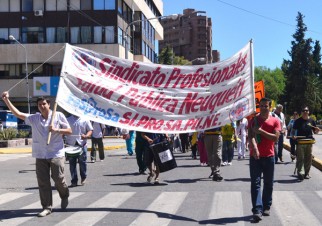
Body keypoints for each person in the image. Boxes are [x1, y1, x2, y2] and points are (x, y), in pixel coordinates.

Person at [1, 91, 72, 217]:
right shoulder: (34, 118)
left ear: (49, 104)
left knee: (58, 179)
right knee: (43, 182)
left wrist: (57, 130)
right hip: (40, 154)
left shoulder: (58, 115)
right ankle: (46, 207)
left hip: (56, 152)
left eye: (44, 104)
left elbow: (69, 131)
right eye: (39, 105)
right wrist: (6, 100)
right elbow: (17, 114)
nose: (42, 106)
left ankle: (64, 194)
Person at [248, 97, 280, 222]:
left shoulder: (275, 121)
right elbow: (250, 136)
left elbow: (275, 138)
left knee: (268, 183)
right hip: (255, 157)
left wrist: (261, 131)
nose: (263, 108)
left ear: (270, 107)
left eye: (266, 106)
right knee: (255, 183)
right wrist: (254, 148)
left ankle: (266, 206)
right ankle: (257, 209)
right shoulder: (253, 120)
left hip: (269, 157)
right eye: (261, 105)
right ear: (259, 106)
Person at [292, 106, 320, 181]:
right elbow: (293, 131)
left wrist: (317, 130)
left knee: (309, 158)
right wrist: (294, 136)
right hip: (300, 142)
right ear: (301, 112)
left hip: (309, 142)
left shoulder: (311, 120)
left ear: (308, 112)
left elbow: (315, 131)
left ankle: (306, 173)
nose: (305, 112)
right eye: (303, 111)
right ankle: (301, 173)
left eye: (306, 111)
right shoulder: (298, 121)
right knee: (301, 158)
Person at [66, 114, 93, 187]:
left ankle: (83, 177)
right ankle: (74, 180)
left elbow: (90, 130)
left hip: (82, 144)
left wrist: (86, 136)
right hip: (71, 144)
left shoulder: (85, 119)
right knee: (72, 164)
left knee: (82, 162)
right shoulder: (68, 119)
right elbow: (64, 130)